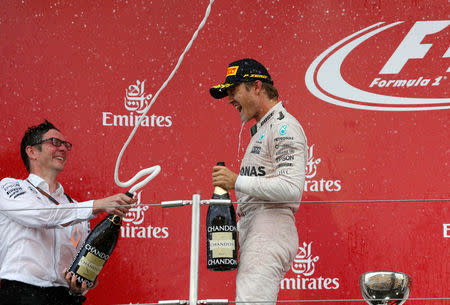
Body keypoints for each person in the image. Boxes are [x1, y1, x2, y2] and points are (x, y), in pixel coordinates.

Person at [0, 120, 136, 305]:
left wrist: (81, 282)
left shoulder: (75, 208)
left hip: (64, 298)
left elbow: (79, 257)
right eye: (55, 142)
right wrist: (97, 205)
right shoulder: (10, 186)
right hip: (20, 294)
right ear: (32, 152)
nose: (63, 148)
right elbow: (39, 216)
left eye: (66, 145)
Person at [210, 58, 308, 305]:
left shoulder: (284, 127)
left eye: (233, 91)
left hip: (269, 227)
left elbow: (290, 189)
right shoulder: (265, 128)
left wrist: (236, 181)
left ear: (256, 87)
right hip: (259, 227)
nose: (230, 99)